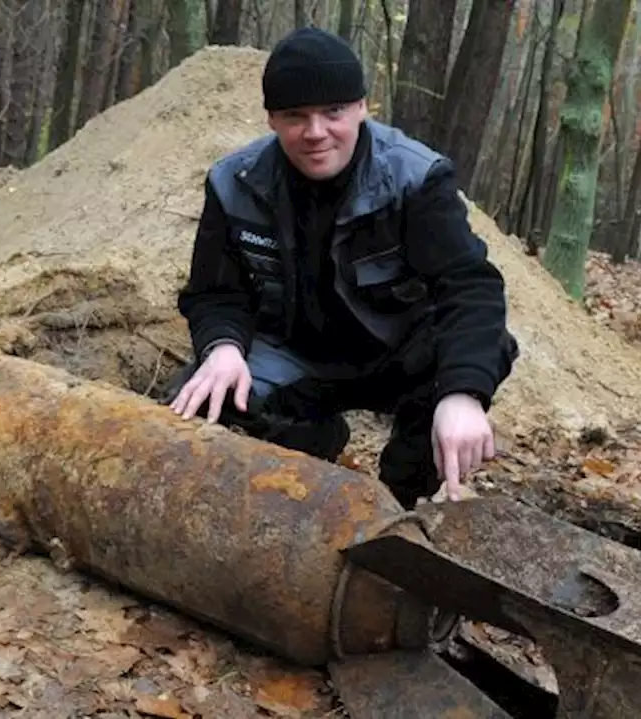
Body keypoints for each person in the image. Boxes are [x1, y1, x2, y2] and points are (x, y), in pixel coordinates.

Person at [165, 26, 519, 508]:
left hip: (397, 356)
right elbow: (214, 292)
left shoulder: (416, 178)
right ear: (271, 119)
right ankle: (313, 443)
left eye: (333, 112)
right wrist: (222, 347)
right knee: (201, 394)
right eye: (296, 116)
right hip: (296, 355)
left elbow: (470, 288)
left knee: (481, 352)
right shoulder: (234, 182)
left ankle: (403, 499)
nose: (316, 133)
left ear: (360, 108)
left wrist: (463, 394)